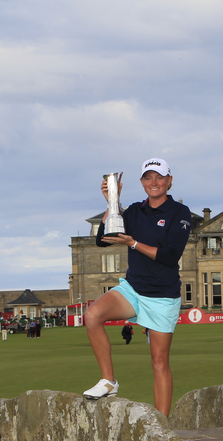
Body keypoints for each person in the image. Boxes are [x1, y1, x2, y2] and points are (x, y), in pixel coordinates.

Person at [83, 158, 192, 417]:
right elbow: (102, 240)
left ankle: (162, 424)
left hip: (162, 296)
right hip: (133, 289)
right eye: (148, 178)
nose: (153, 182)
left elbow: (170, 255)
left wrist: (133, 244)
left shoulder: (180, 212)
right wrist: (112, 204)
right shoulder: (133, 211)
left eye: (159, 177)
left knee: (159, 362)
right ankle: (109, 381)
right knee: (92, 315)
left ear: (169, 180)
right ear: (142, 182)